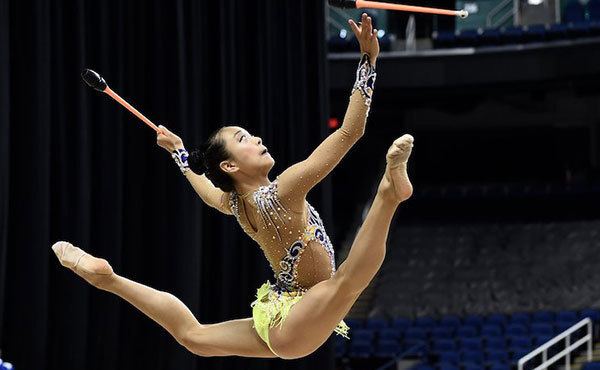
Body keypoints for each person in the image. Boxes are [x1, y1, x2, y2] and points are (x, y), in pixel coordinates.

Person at [52, 13, 414, 359]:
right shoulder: (283, 191)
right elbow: (350, 132)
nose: (256, 138)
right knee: (348, 282)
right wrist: (368, 61)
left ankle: (109, 278)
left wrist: (180, 153)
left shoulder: (236, 204)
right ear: (229, 165)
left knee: (194, 337)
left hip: (282, 317)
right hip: (301, 315)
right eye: (244, 138)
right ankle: (387, 194)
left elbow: (205, 190)